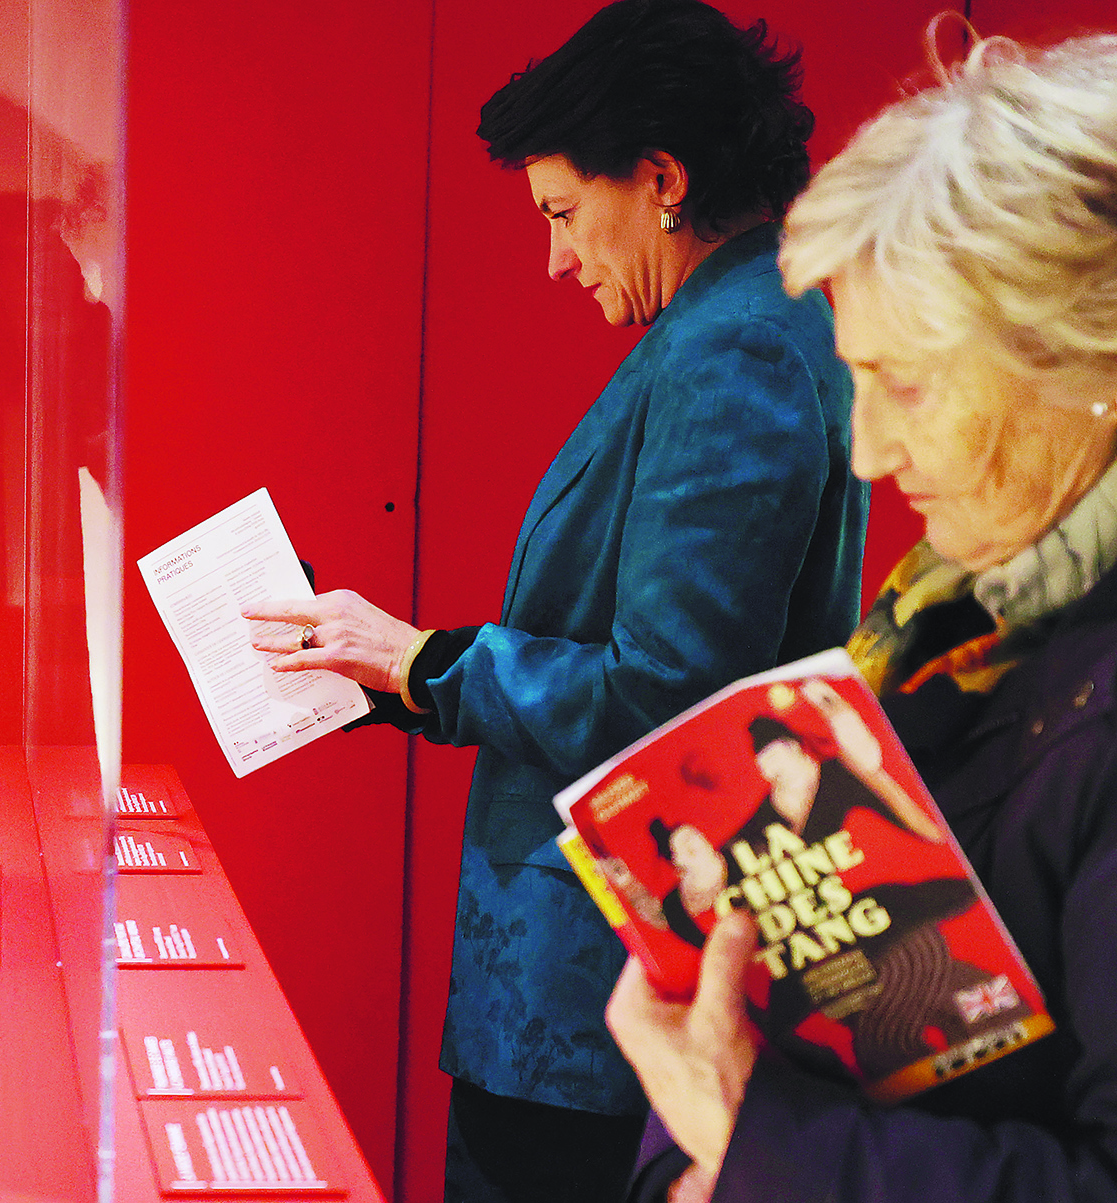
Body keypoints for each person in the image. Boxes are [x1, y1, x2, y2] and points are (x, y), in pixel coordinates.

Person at [243, 2, 867, 1198]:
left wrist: (422, 660)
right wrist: (395, 669)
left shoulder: (733, 346)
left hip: (601, 987)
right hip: (607, 978)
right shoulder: (735, 322)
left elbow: (668, 694)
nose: (555, 259)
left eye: (562, 213)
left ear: (662, 179)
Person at [607, 27, 1117, 1203]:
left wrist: (753, 1142)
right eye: (857, 381)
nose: (870, 452)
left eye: (909, 385)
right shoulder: (951, 618)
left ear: (1086, 364)